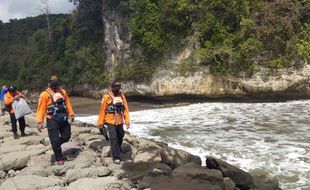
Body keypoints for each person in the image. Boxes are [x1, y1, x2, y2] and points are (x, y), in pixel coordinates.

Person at [36, 75, 74, 165]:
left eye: (56, 84)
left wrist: (71, 114)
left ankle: (56, 145)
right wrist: (39, 121)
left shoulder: (63, 92)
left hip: (63, 117)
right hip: (52, 119)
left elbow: (67, 103)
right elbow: (40, 109)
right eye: (52, 84)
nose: (54, 86)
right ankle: (59, 158)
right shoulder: (44, 95)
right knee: (55, 140)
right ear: (48, 84)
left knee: (66, 136)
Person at [97, 81, 130, 164]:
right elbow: (102, 110)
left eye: (118, 87)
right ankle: (116, 156)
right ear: (112, 87)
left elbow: (125, 109)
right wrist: (100, 123)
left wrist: (127, 121)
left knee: (121, 134)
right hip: (110, 120)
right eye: (115, 86)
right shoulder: (106, 97)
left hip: (119, 120)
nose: (117, 88)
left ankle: (117, 148)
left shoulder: (121, 96)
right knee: (113, 137)